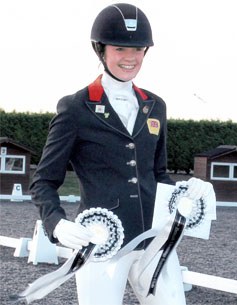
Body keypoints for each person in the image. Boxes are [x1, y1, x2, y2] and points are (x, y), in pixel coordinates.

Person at [30, 3, 215, 305]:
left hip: (154, 240)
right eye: (120, 49)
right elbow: (43, 181)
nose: (130, 58)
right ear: (100, 50)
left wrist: (190, 193)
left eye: (138, 49)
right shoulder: (75, 108)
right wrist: (57, 224)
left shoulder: (155, 106)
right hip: (102, 242)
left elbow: (158, 174)